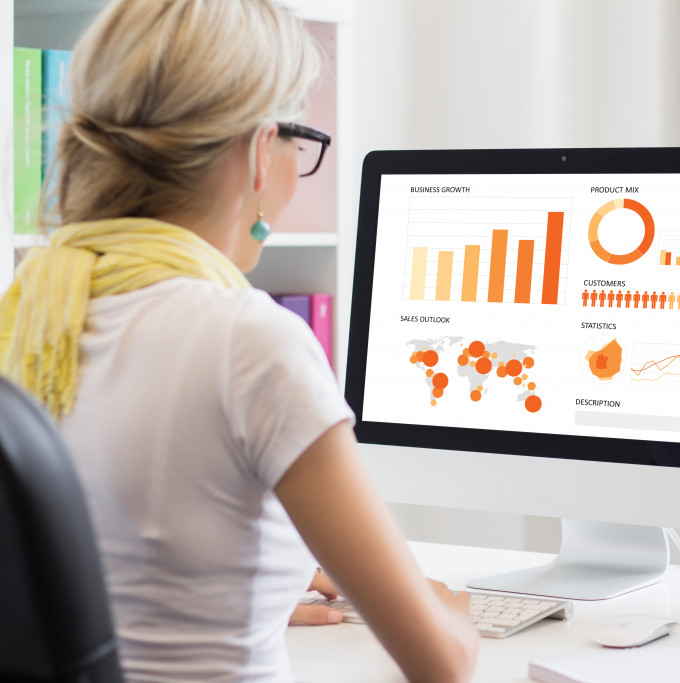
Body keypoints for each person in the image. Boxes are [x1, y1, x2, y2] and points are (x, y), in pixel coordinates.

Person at [0, 1, 478, 681]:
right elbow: (443, 662)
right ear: (260, 149)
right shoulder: (249, 341)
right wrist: (455, 614)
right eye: (301, 139)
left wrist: (253, 588)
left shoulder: (31, 312)